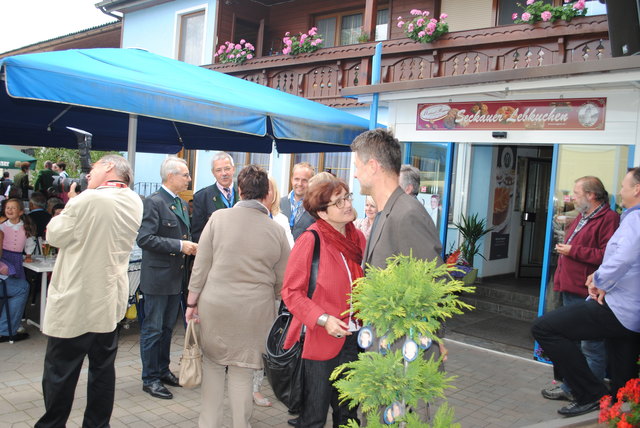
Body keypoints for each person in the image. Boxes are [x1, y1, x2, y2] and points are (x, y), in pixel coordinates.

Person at [34, 155, 143, 428]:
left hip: (77, 301)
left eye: (93, 169)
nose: (88, 175)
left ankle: (52, 424)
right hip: (108, 302)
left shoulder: (88, 199)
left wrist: (72, 201)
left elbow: (54, 235)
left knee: (60, 372)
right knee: (102, 371)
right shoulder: (134, 200)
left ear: (109, 167)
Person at [186, 165, 290, 428]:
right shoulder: (276, 230)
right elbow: (283, 280)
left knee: (212, 366)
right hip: (254, 311)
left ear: (240, 190)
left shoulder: (218, 218)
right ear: (267, 193)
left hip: (215, 306)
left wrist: (191, 302)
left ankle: (208, 424)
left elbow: (201, 265)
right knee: (242, 371)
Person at [532, 167, 640, 418]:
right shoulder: (626, 218)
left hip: (619, 307)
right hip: (628, 310)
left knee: (545, 328)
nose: (619, 191)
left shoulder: (633, 219)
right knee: (623, 375)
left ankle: (590, 394)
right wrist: (600, 277)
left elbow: (622, 258)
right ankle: (617, 410)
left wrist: (600, 280)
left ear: (637, 189)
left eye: (623, 186)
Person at [281, 174, 366, 428]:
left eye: (347, 197)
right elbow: (291, 292)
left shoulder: (357, 238)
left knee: (348, 415)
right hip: (320, 340)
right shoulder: (311, 240)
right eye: (339, 202)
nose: (347, 204)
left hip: (355, 339)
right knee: (314, 417)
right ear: (322, 212)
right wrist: (323, 319)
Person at [541, 176, 619, 402]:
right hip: (569, 287)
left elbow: (607, 256)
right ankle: (571, 387)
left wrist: (572, 250)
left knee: (591, 346)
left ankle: (589, 394)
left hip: (586, 292)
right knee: (571, 344)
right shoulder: (583, 216)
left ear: (591, 195)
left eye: (576, 193)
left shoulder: (609, 218)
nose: (572, 197)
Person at [138, 156, 197, 400]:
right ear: (171, 176)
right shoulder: (154, 202)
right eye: (185, 175)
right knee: (153, 329)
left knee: (166, 329)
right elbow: (144, 238)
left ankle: (162, 370)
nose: (189, 179)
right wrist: (180, 245)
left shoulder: (179, 203)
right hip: (157, 278)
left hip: (175, 278)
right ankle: (150, 378)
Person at [352, 129, 442, 269]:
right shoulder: (386, 211)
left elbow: (433, 277)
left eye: (357, 167)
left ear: (372, 166)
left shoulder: (407, 214)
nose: (355, 175)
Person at [0, 198, 36, 343]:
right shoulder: (2, 227)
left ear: (21, 212)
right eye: (7, 207)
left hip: (17, 258)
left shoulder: (25, 227)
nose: (9, 210)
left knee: (20, 285)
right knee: (21, 288)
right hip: (5, 259)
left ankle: (13, 322)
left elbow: (29, 242)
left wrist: (28, 254)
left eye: (13, 208)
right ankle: (8, 327)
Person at [191, 152, 239, 243]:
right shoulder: (202, 197)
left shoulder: (244, 192)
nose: (224, 173)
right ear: (213, 172)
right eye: (218, 170)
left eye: (227, 169)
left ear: (233, 169)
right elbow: (197, 233)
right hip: (215, 249)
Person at [280, 162, 316, 241]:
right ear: (291, 180)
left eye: (304, 180)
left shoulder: (316, 207)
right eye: (296, 179)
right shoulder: (279, 204)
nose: (300, 184)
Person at [268, 176, 295, 249]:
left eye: (267, 189)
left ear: (275, 193)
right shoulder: (249, 216)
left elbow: (290, 248)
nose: (263, 193)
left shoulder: (282, 219)